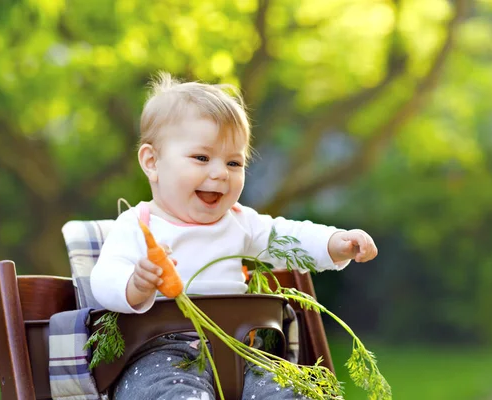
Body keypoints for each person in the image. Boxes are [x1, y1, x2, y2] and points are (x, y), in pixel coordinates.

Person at [90, 72, 378, 400]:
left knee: (290, 392)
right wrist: (134, 286)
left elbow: (289, 237)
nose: (219, 173)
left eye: (234, 162)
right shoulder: (136, 225)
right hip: (159, 354)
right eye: (201, 157)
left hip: (241, 351)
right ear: (152, 162)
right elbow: (103, 279)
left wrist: (335, 243)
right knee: (165, 394)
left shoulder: (241, 222)